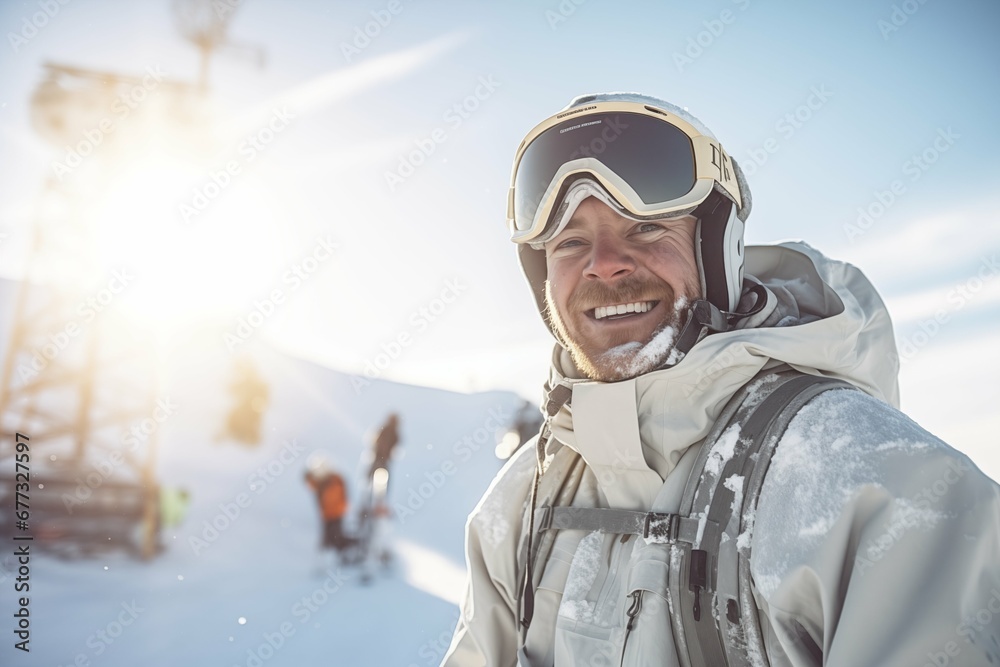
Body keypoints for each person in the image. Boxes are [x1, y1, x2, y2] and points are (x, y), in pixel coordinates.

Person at [442, 93, 1000, 666]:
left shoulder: (875, 486)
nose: (604, 263)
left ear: (716, 249)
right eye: (571, 243)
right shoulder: (520, 506)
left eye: (644, 229)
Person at [304, 458, 355, 563]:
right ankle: (333, 558)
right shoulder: (322, 482)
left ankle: (350, 551)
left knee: (335, 538)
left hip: (335, 514)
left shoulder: (334, 481)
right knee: (329, 539)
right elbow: (311, 483)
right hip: (327, 516)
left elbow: (334, 499)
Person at [369, 412, 400, 491]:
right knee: (371, 480)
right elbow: (377, 442)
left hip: (383, 460)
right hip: (379, 458)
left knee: (380, 482)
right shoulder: (387, 430)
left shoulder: (394, 433)